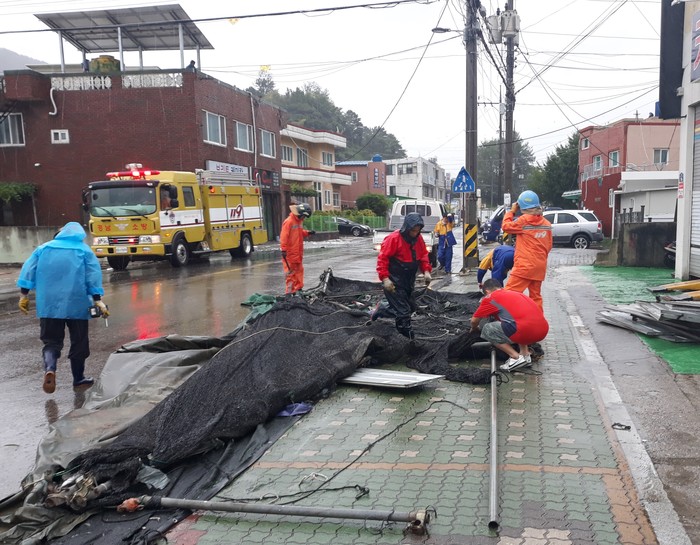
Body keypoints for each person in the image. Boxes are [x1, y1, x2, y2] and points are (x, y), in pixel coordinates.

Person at [17, 222, 109, 394]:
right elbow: (93, 276)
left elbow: (28, 271)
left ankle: (50, 368)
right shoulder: (84, 251)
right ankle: (78, 378)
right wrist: (98, 300)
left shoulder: (43, 249)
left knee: (51, 342)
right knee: (79, 342)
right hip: (77, 304)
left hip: (49, 305)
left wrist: (24, 295)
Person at [469, 278, 549, 372]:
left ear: (487, 291)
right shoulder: (515, 294)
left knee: (487, 329)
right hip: (542, 331)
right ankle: (525, 354)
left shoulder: (490, 298)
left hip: (525, 331)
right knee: (516, 321)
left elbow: (474, 321)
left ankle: (515, 357)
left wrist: (474, 328)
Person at [376, 212, 432, 339]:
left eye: (417, 231)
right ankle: (406, 338)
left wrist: (426, 271)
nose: (415, 233)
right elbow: (383, 259)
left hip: (408, 279)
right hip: (394, 280)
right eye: (413, 230)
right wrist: (385, 278)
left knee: (411, 307)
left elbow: (423, 255)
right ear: (407, 227)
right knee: (403, 312)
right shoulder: (393, 239)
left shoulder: (418, 239)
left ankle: (382, 309)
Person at [501, 190, 553, 311]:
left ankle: (506, 319)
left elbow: (506, 226)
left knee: (509, 295)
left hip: (524, 266)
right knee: (536, 297)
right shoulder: (547, 224)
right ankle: (538, 320)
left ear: (521, 206)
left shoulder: (523, 221)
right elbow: (549, 245)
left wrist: (511, 211)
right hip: (539, 267)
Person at [280, 203, 316, 294]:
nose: (304, 218)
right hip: (290, 254)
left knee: (299, 271)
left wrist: (308, 233)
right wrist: (283, 249)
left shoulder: (298, 221)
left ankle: (298, 289)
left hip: (297, 253)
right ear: (300, 214)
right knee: (290, 274)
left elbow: (299, 233)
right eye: (304, 216)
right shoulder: (289, 221)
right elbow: (284, 236)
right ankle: (289, 293)